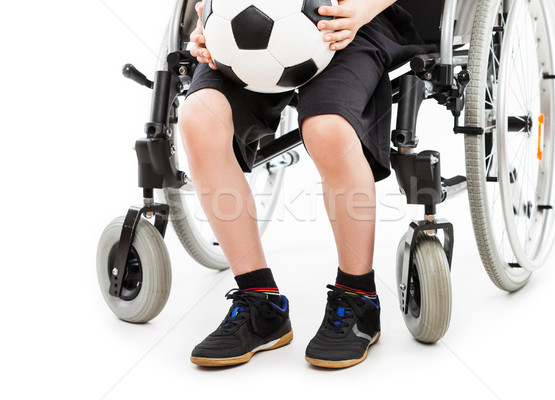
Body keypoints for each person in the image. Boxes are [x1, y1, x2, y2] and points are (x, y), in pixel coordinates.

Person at [179, 0, 435, 368]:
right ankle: (259, 301)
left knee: (327, 128)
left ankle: (357, 296)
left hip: (353, 21)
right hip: (242, 27)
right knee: (199, 119)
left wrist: (363, 9)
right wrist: (208, 21)